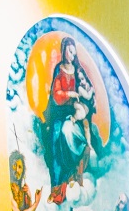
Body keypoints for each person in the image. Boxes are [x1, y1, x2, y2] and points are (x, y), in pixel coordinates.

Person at [43, 36, 101, 202]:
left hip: (75, 111)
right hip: (59, 113)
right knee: (56, 138)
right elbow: (56, 95)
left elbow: (87, 88)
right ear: (64, 51)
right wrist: (69, 94)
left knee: (72, 135)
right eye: (69, 52)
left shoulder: (77, 70)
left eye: (74, 53)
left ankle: (76, 173)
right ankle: (56, 187)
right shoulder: (59, 70)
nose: (72, 55)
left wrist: (87, 98)